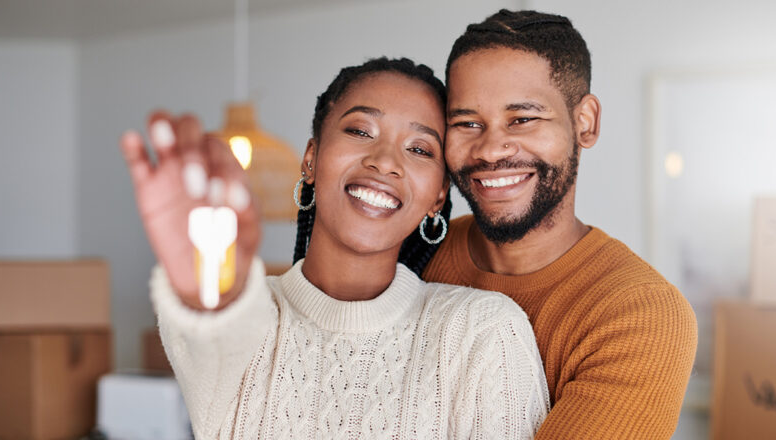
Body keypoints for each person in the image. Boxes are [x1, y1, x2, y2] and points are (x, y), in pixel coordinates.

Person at [119, 58, 549, 439]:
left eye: (419, 149)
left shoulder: (484, 334)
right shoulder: (245, 322)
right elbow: (211, 318)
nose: (385, 161)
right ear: (311, 158)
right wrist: (205, 275)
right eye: (361, 131)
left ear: (438, 195)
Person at [422, 9, 698, 439]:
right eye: (467, 123)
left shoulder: (640, 313)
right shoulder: (412, 253)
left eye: (523, 118)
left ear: (584, 122)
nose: (491, 149)